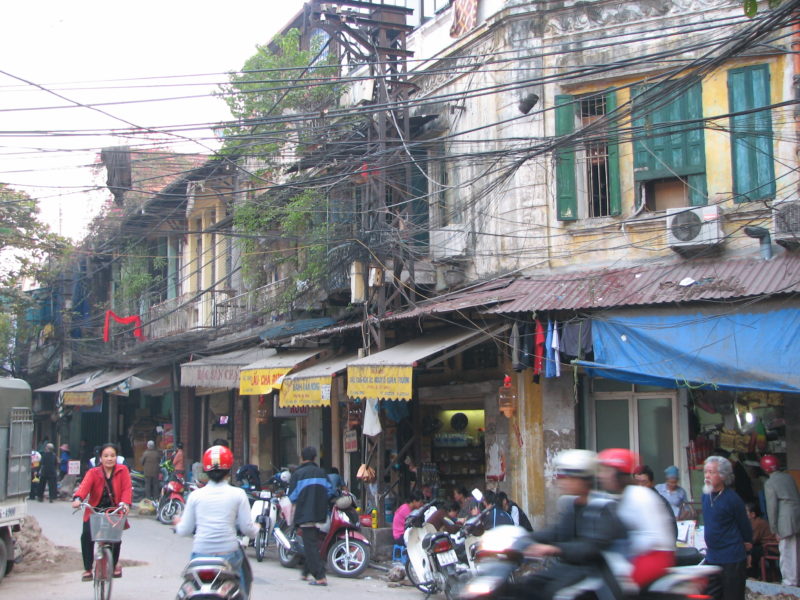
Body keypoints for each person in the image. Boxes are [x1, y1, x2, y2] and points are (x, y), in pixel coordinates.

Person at [524, 449, 624, 600]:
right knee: (528, 585)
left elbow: (590, 547)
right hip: (567, 568)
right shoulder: (571, 505)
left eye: (566, 477)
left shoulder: (603, 508)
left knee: (553, 592)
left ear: (583, 480)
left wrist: (554, 548)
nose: (560, 481)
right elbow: (556, 532)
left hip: (594, 573)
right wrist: (523, 536)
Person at [175, 445, 258, 598]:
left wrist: (177, 523)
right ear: (229, 470)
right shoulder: (238, 494)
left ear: (205, 470)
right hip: (229, 554)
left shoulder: (196, 495)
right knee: (243, 584)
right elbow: (248, 529)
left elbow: (184, 530)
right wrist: (257, 528)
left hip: (200, 554)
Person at [597, 449, 675, 589]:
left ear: (618, 474)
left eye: (606, 471)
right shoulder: (621, 497)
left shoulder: (639, 496)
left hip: (653, 556)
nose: (601, 475)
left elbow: (651, 538)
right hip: (636, 556)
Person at [71, 443, 132, 581]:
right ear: (100, 458)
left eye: (112, 455)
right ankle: (87, 569)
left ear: (117, 457)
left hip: (114, 510)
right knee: (86, 535)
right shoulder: (93, 472)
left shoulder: (123, 471)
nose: (109, 459)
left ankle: (114, 563)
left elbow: (127, 489)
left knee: (115, 539)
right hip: (95, 511)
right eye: (106, 456)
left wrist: (126, 503)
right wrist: (78, 499)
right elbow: (84, 487)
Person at [702, 455, 752, 600]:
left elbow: (744, 525)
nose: (707, 476)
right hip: (712, 556)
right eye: (706, 472)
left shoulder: (732, 498)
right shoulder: (706, 495)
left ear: (723, 476)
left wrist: (748, 549)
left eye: (712, 472)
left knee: (732, 596)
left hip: (732, 557)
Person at [289, 446, 333, 586]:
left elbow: (292, 496)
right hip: (320, 514)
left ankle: (320, 577)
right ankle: (305, 572)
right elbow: (331, 491)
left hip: (305, 514)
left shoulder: (298, 474)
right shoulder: (322, 472)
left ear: (302, 457)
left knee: (310, 545)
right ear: (315, 458)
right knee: (312, 543)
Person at [761, 454, 800, 586]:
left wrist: (774, 529)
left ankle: (790, 582)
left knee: (787, 551)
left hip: (785, 520)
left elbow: (772, 508)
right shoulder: (788, 477)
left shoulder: (770, 483)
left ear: (765, 469)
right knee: (796, 550)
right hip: (796, 516)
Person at [635, 465, 678, 538]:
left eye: (644, 482)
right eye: (637, 482)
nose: (640, 486)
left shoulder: (661, 503)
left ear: (652, 483)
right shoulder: (630, 501)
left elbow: (672, 532)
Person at [745, 502, 775, 578]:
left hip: (771, 548)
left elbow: (753, 540)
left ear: (753, 514)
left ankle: (752, 576)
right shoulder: (754, 522)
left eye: (746, 511)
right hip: (765, 546)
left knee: (751, 553)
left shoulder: (758, 523)